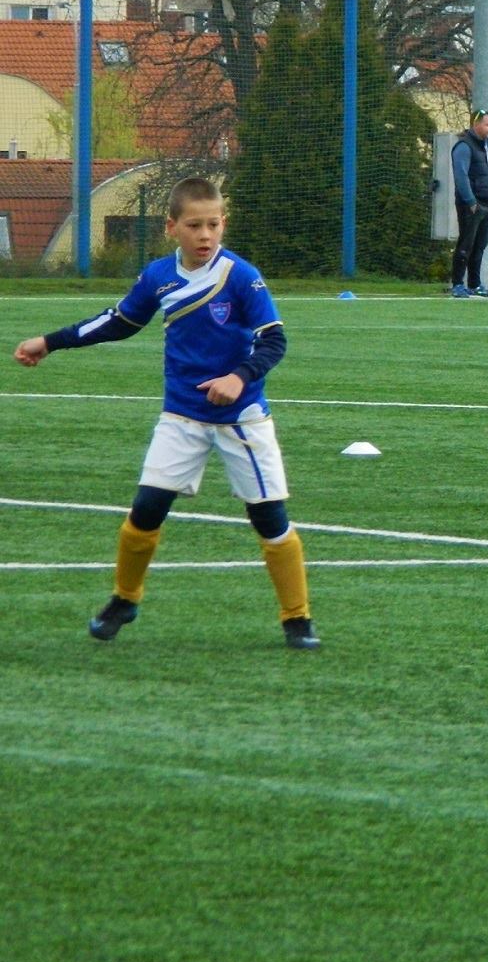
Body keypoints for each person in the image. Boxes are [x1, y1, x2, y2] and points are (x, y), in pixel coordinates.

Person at [10, 176, 320, 650]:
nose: (205, 235)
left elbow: (274, 340)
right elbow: (119, 322)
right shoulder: (159, 276)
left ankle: (297, 618)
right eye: (194, 225)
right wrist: (50, 342)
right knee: (146, 509)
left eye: (213, 225)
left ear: (224, 223)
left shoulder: (241, 275)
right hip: (182, 416)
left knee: (269, 517)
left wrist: (239, 377)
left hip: (243, 419)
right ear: (171, 227)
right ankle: (124, 599)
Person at [450, 109, 488, 298]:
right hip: (472, 204)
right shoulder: (464, 146)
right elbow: (461, 175)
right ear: (476, 124)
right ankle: (457, 284)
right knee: (466, 244)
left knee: (480, 246)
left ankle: (475, 283)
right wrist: (470, 201)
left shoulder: (487, 145)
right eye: (487, 124)